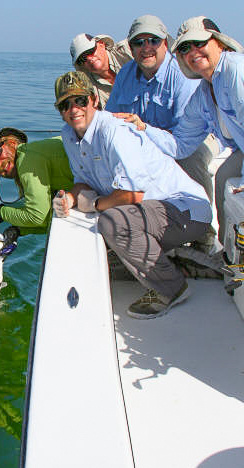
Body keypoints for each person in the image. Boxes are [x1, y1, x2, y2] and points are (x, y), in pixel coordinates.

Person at [52, 71, 212, 319]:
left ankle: (173, 288)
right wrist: (70, 199)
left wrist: (93, 203)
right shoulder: (68, 135)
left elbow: (133, 195)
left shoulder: (115, 131)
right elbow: (82, 181)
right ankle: (180, 261)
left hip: (185, 210)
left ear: (94, 99)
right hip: (149, 214)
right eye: (65, 105)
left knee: (113, 223)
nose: (74, 109)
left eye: (80, 101)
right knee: (104, 255)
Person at [106, 14, 219, 253]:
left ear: (165, 43)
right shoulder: (125, 74)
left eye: (153, 40)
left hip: (190, 138)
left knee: (192, 158)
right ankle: (145, 231)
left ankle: (204, 234)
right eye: (139, 42)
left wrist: (147, 139)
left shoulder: (181, 73)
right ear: (131, 48)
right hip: (146, 140)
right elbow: (110, 120)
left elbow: (184, 138)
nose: (146, 47)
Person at [127, 16, 244, 245]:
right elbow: (180, 145)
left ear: (219, 43)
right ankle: (229, 257)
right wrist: (143, 128)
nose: (193, 51)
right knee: (223, 178)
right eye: (184, 47)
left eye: (199, 43)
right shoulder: (203, 94)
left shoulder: (236, 71)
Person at [0, 127, 73, 254]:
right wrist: (17, 230)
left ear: (12, 143)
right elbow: (46, 217)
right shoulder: (30, 156)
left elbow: (36, 216)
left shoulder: (26, 159)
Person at [70, 33, 132, 109]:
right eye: (83, 58)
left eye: (90, 52)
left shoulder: (127, 50)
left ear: (101, 44)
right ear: (81, 65)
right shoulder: (87, 87)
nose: (89, 58)